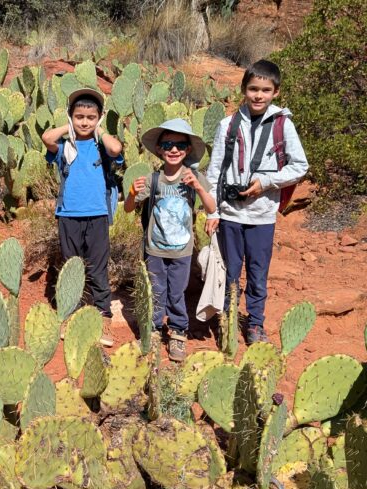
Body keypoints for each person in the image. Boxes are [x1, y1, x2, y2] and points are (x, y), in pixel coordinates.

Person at [205, 59, 309, 344]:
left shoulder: (282, 125)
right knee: (229, 271)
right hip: (229, 213)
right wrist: (212, 212)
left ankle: (255, 323)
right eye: (253, 89)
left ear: (276, 91)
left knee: (257, 272)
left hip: (262, 214)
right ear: (243, 89)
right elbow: (215, 171)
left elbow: (300, 166)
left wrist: (265, 182)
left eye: (265, 89)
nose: (258, 95)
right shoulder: (227, 125)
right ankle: (227, 319)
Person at [124, 119, 216, 361]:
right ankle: (153, 330)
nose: (173, 149)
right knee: (156, 290)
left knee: (177, 292)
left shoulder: (193, 177)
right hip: (154, 248)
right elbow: (128, 208)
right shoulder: (153, 179)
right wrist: (133, 192)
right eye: (167, 144)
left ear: (187, 150)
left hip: (183, 251)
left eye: (180, 145)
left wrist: (199, 188)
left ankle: (177, 332)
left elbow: (211, 207)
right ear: (159, 150)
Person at [42, 88, 123, 347]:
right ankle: (70, 313)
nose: (85, 121)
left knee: (98, 268)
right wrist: (68, 127)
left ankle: (103, 316)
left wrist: (99, 130)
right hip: (68, 215)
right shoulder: (65, 146)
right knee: (71, 266)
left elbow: (116, 147)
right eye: (79, 116)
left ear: (99, 117)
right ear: (71, 117)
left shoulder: (100, 146)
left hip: (97, 215)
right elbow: (46, 138)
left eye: (91, 117)